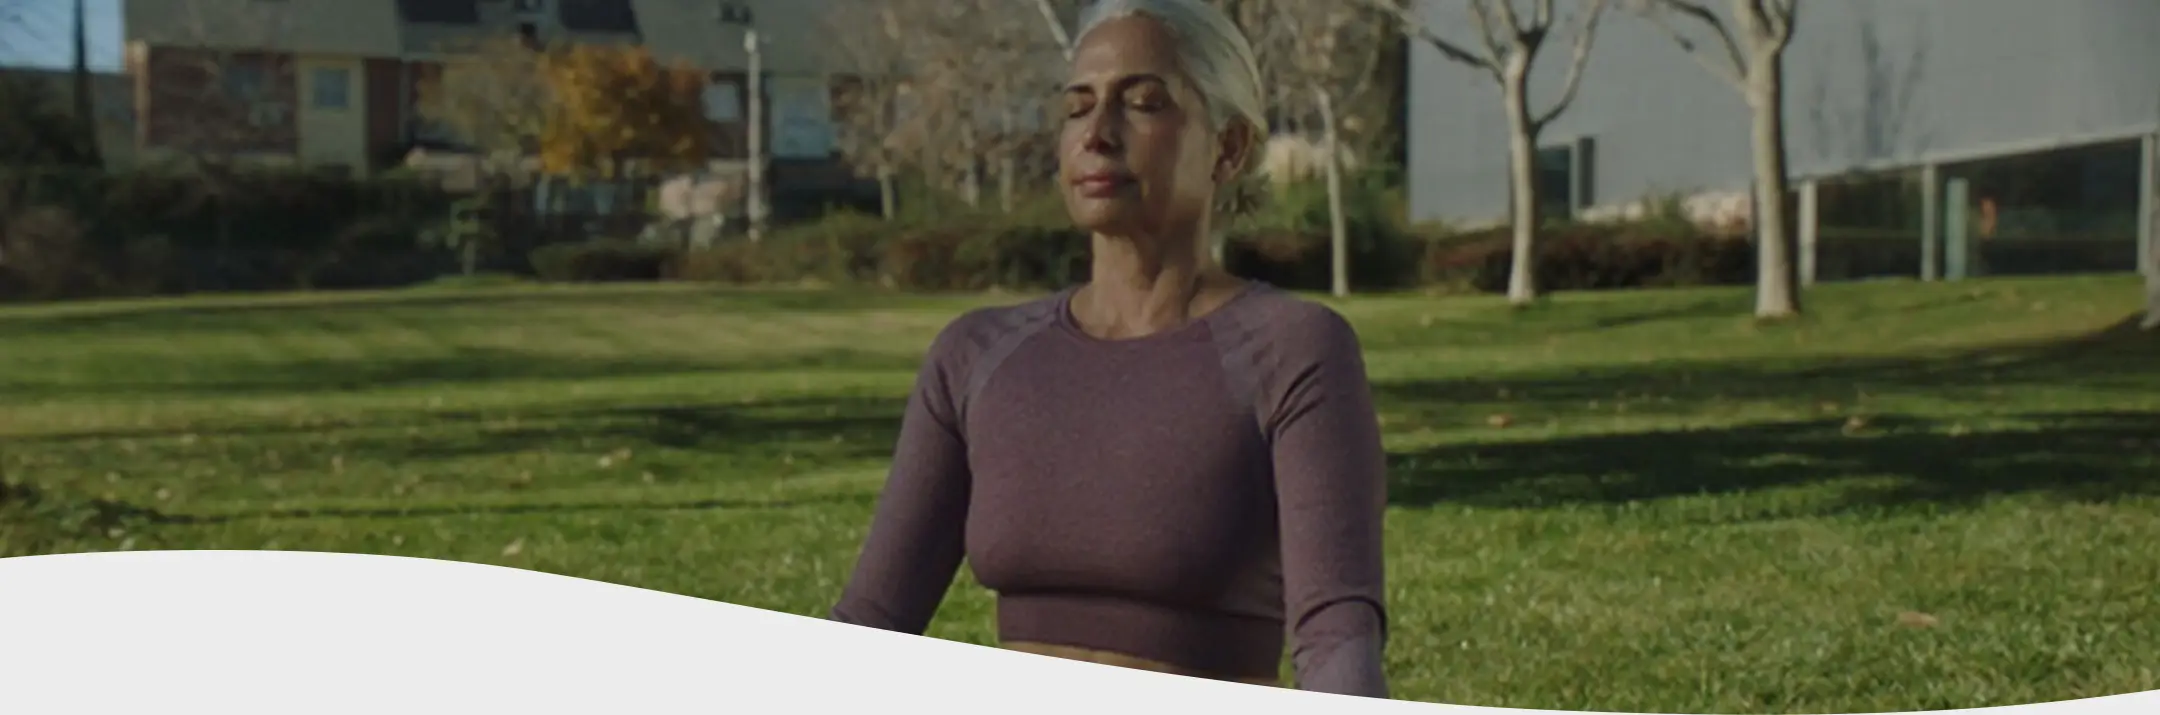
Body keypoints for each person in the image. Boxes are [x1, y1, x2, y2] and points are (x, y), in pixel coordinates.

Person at [827, 0, 1390, 698]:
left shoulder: (1293, 349)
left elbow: (1336, 632)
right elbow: (871, 622)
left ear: (1229, 147)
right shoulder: (975, 355)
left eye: (1143, 102)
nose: (1096, 134)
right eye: (1076, 107)